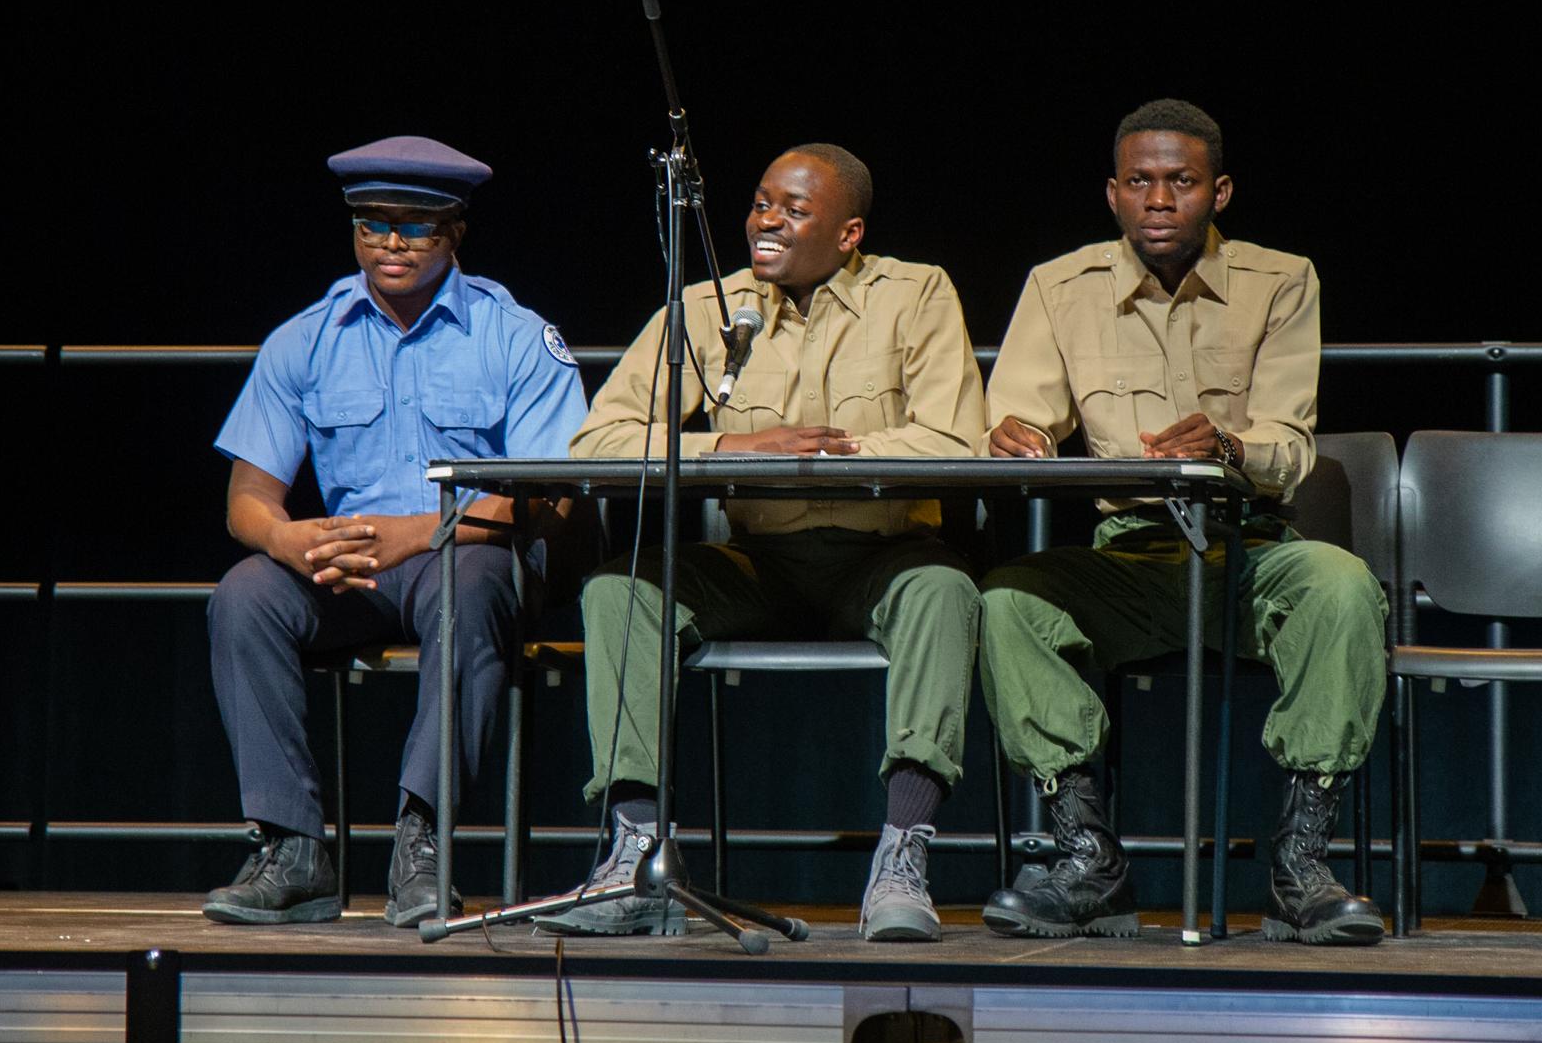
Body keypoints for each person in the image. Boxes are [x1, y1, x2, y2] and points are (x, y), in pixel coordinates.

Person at [537, 143, 985, 943]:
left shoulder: (915, 294)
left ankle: (904, 854)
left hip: (880, 559)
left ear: (848, 234)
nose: (765, 221)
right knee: (620, 588)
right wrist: (734, 450)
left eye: (793, 209)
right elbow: (597, 440)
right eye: (759, 202)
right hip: (760, 563)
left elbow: (953, 442)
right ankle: (636, 854)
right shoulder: (710, 306)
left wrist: (825, 454)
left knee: (945, 591)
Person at [977, 99, 1388, 946]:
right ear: (1113, 194)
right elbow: (1020, 407)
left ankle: (1301, 866)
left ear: (1220, 191)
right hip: (1130, 556)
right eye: (1141, 183)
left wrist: (1230, 443)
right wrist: (1013, 433)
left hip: (1249, 547)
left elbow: (1287, 440)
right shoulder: (1060, 287)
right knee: (1008, 601)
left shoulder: (1282, 279)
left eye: (1181, 182)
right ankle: (1088, 860)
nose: (1159, 200)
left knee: (1344, 585)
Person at [203, 135, 588, 927]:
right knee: (243, 596)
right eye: (372, 224)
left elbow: (553, 495)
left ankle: (424, 843)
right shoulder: (305, 338)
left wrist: (419, 533)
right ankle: (293, 850)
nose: (391, 243)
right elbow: (248, 497)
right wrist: (291, 541)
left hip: (473, 552)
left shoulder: (512, 333)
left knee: (470, 584)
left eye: (414, 226)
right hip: (351, 566)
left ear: (454, 233)